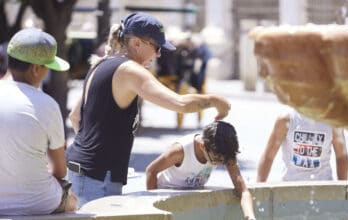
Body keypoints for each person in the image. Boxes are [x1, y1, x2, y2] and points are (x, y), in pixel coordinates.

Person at [66, 12, 231, 207]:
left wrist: (97, 150)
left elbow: (75, 117)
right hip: (98, 177)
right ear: (136, 43)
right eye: (157, 47)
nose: (159, 54)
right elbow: (179, 103)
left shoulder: (101, 64)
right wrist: (215, 100)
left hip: (82, 170)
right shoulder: (130, 70)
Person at [0, 28, 77, 215]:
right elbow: (59, 171)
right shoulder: (47, 104)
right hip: (39, 202)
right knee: (73, 200)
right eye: (47, 67)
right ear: (36, 68)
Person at [146, 121, 256, 220]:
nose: (220, 163)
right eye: (216, 160)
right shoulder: (180, 151)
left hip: (191, 200)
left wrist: (250, 216)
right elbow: (151, 171)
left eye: (223, 161)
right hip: (167, 195)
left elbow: (243, 191)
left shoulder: (223, 152)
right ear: (202, 146)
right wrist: (154, 211)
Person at [257, 110, 348, 182]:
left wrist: (344, 192)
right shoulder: (286, 119)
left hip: (323, 187)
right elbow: (268, 157)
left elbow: (342, 157)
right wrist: (259, 190)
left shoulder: (333, 122)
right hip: (290, 187)